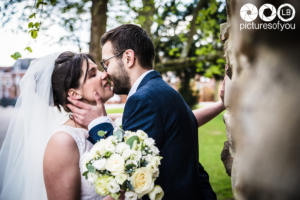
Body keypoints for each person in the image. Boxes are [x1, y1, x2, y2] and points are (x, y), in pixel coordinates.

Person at [67, 24, 225, 200]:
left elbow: (129, 169)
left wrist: (99, 124)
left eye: (106, 64)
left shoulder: (142, 99)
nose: (105, 74)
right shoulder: (160, 90)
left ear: (128, 58)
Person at [0, 51, 114, 200]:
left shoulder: (110, 123)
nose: (104, 74)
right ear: (74, 94)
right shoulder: (63, 142)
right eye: (93, 74)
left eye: (98, 70)